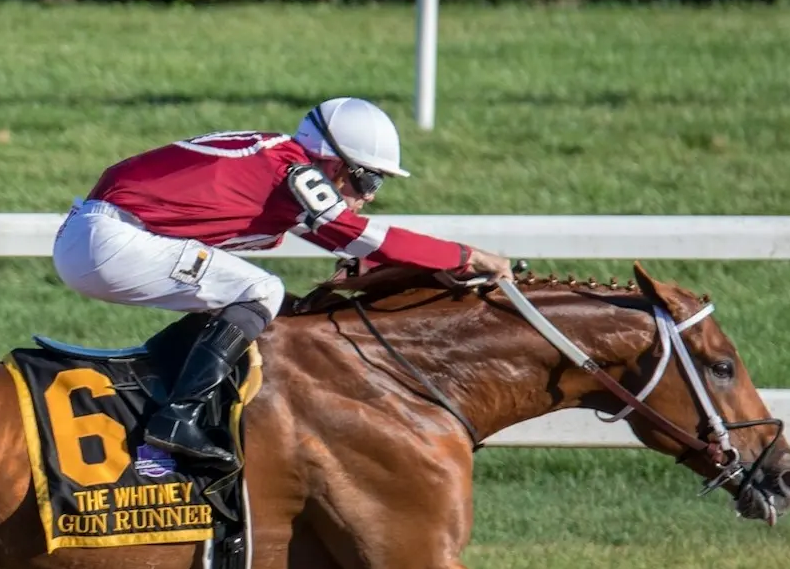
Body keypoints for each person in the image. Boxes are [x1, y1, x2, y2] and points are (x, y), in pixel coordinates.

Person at [52, 97, 513, 467]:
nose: (369, 194)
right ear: (332, 162)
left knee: (273, 305)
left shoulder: (281, 168)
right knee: (262, 291)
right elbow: (359, 236)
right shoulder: (296, 169)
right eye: (366, 178)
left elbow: (350, 247)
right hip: (111, 239)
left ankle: (179, 400)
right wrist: (466, 256)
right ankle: (178, 416)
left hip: (103, 235)